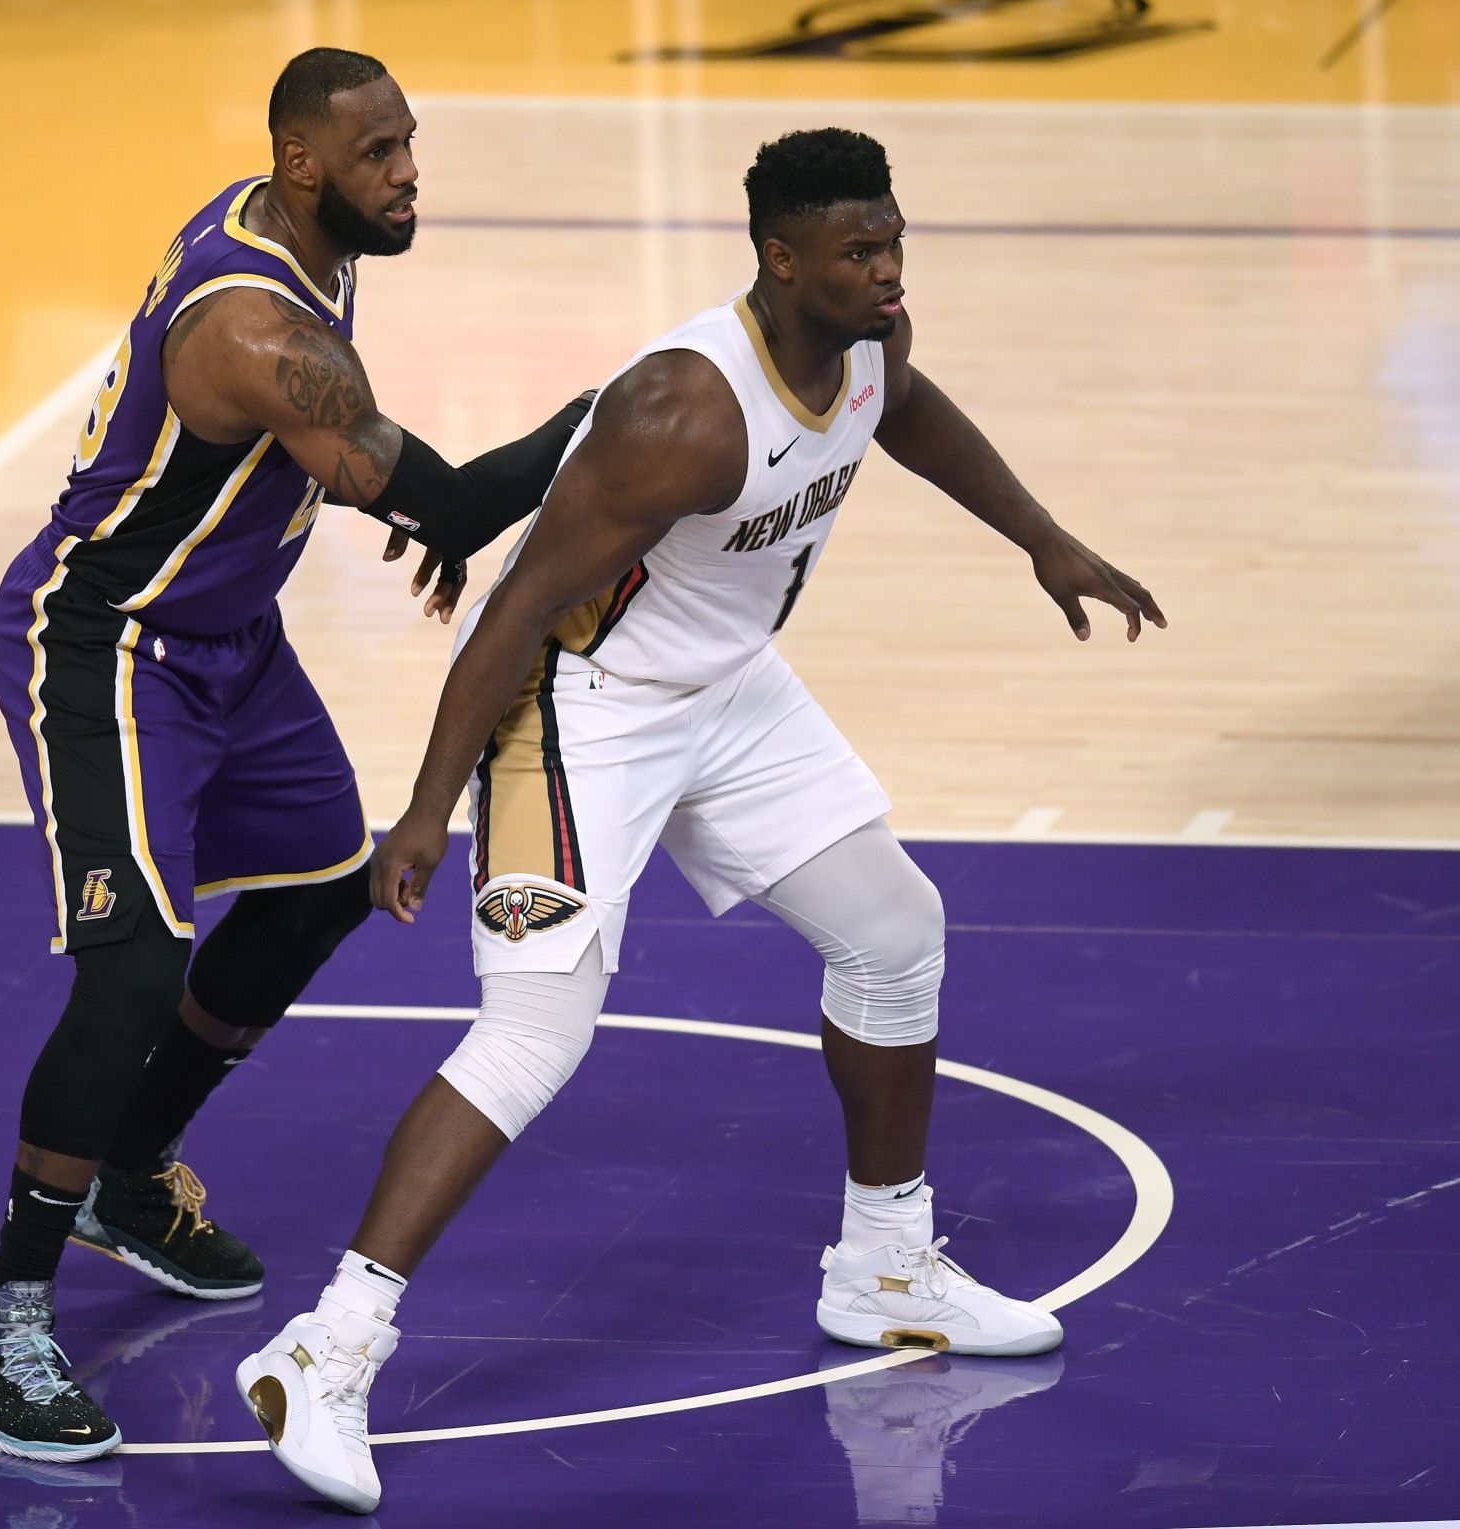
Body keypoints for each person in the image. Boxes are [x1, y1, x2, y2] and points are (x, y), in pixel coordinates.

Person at [238, 126, 1166, 1513]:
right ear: (780, 261)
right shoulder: (685, 410)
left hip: (727, 692)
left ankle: (886, 1263)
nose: (889, 269)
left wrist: (1039, 533)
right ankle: (329, 1345)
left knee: (895, 932)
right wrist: (427, 808)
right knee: (538, 1028)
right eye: (860, 251)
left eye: (896, 239)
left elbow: (903, 408)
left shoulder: (863, 340)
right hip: (580, 711)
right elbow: (514, 609)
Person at [0, 46, 592, 1463]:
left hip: (235, 637)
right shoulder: (255, 323)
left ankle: (125, 1169)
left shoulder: (306, 235)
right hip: (111, 644)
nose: (410, 171)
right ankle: (2, 1322)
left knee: (314, 891)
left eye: (411, 143)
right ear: (305, 162)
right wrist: (632, 412)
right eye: (381, 154)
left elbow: (362, 457)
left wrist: (399, 496)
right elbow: (460, 494)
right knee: (131, 978)